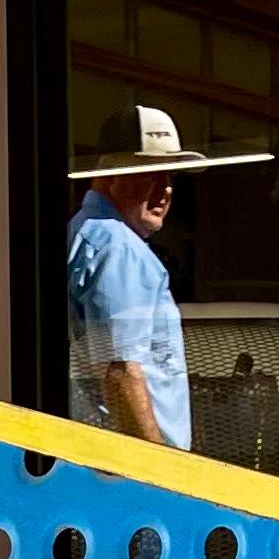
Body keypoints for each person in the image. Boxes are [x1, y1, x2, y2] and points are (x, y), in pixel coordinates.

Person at [66, 105, 192, 451]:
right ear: (111, 173)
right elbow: (120, 371)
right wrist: (159, 472)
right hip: (132, 470)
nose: (165, 189)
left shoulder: (82, 233)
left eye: (171, 176)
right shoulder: (119, 248)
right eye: (152, 171)